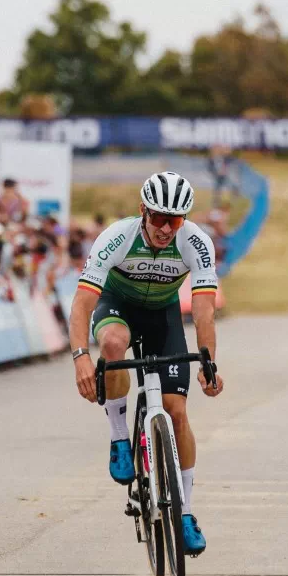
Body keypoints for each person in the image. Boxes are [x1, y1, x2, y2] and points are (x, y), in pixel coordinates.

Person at [68, 171, 224, 556]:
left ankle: (185, 514)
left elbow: (204, 314)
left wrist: (209, 363)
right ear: (143, 212)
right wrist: (80, 358)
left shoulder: (197, 242)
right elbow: (82, 304)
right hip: (118, 306)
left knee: (177, 411)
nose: (167, 229)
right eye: (159, 218)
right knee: (114, 343)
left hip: (163, 314)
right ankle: (120, 436)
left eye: (176, 220)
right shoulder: (117, 237)